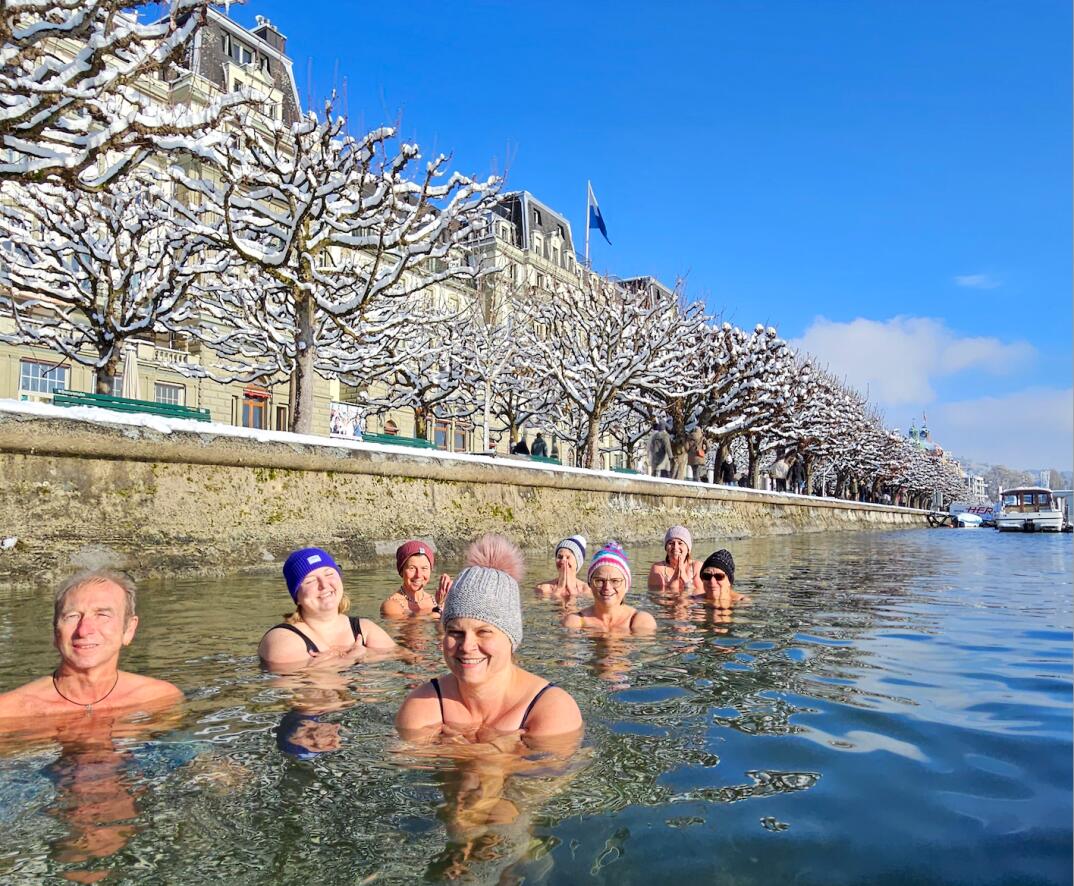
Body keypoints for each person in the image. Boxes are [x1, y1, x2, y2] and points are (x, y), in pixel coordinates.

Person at [396, 533, 582, 739]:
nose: (467, 646)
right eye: (456, 632)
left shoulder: (552, 709)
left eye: (483, 632)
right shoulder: (422, 704)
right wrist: (499, 754)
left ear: (511, 638)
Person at [0, 570, 182, 723]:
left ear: (129, 629)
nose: (84, 630)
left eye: (102, 615)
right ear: (55, 632)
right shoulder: (9, 713)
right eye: (72, 616)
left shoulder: (160, 700)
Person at [259, 547, 396, 667]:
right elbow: (308, 690)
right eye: (310, 581)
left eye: (329, 574)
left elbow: (405, 660)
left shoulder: (364, 628)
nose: (324, 585)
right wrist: (351, 658)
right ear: (297, 596)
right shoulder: (282, 640)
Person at [563, 542, 656, 633]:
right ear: (589, 583)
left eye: (615, 581)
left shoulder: (641, 622)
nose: (607, 587)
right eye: (599, 581)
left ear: (627, 585)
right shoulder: (575, 622)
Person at [381, 540, 453, 618]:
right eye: (412, 568)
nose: (418, 575)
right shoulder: (391, 605)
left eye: (424, 568)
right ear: (401, 571)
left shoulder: (436, 601)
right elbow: (412, 627)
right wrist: (439, 609)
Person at [648, 525, 702, 593]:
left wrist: (684, 576)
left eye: (680, 543)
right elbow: (658, 597)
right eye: (671, 543)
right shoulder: (658, 568)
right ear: (666, 548)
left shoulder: (697, 567)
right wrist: (675, 577)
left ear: (688, 549)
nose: (675, 547)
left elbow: (700, 595)